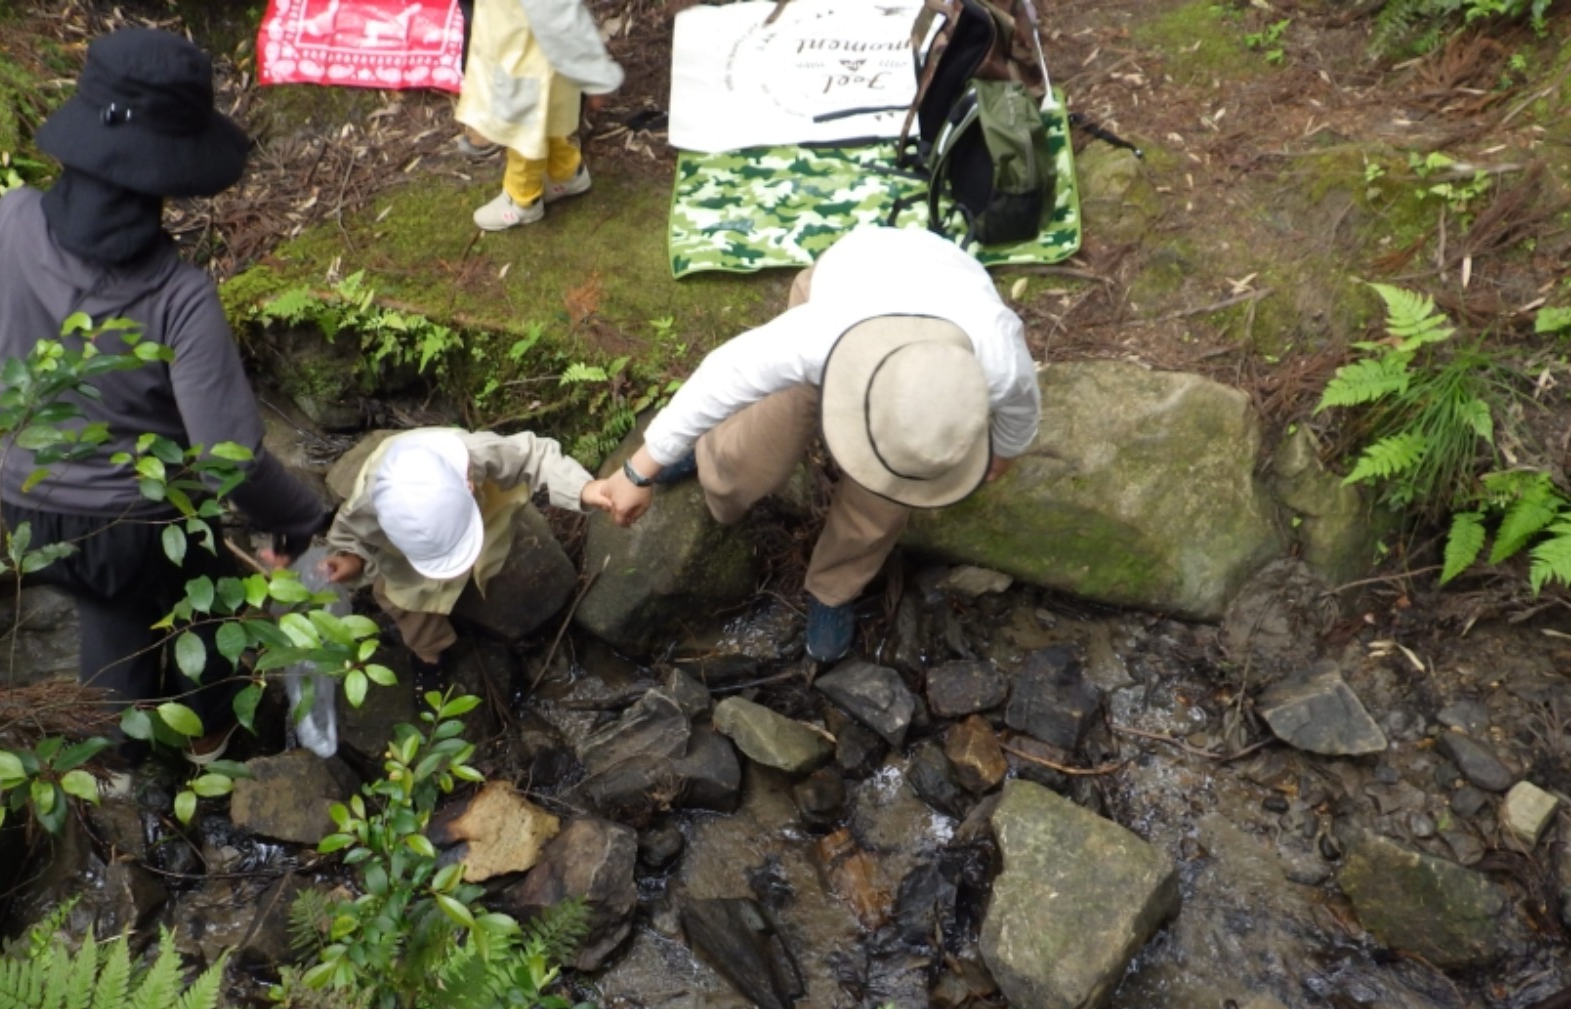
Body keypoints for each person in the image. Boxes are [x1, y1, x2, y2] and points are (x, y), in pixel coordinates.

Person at [0, 27, 330, 758]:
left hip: (24, 505)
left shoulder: (9, 219)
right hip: (132, 523)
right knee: (216, 595)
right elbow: (232, 460)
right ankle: (210, 733)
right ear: (171, 173)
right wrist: (302, 517)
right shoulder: (179, 294)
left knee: (115, 611)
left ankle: (115, 790)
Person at [590, 226, 1042, 663]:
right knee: (757, 450)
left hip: (940, 287)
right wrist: (641, 469)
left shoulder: (998, 364)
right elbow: (722, 376)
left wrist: (998, 454)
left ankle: (832, 588)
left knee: (883, 501)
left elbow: (1021, 414)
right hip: (850, 278)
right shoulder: (818, 337)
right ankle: (708, 454)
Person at [323, 428, 609, 692]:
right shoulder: (369, 505)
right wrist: (352, 561)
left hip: (478, 506)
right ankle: (429, 654)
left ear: (469, 485)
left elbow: (537, 454)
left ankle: (474, 561)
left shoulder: (478, 454)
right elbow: (348, 536)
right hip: (406, 555)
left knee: (492, 539)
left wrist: (582, 488)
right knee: (403, 600)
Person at [454, 0, 621, 231]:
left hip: (527, 63)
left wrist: (595, 74)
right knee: (544, 123)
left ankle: (523, 200)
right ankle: (567, 173)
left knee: (524, 135)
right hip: (516, 49)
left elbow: (563, 16)